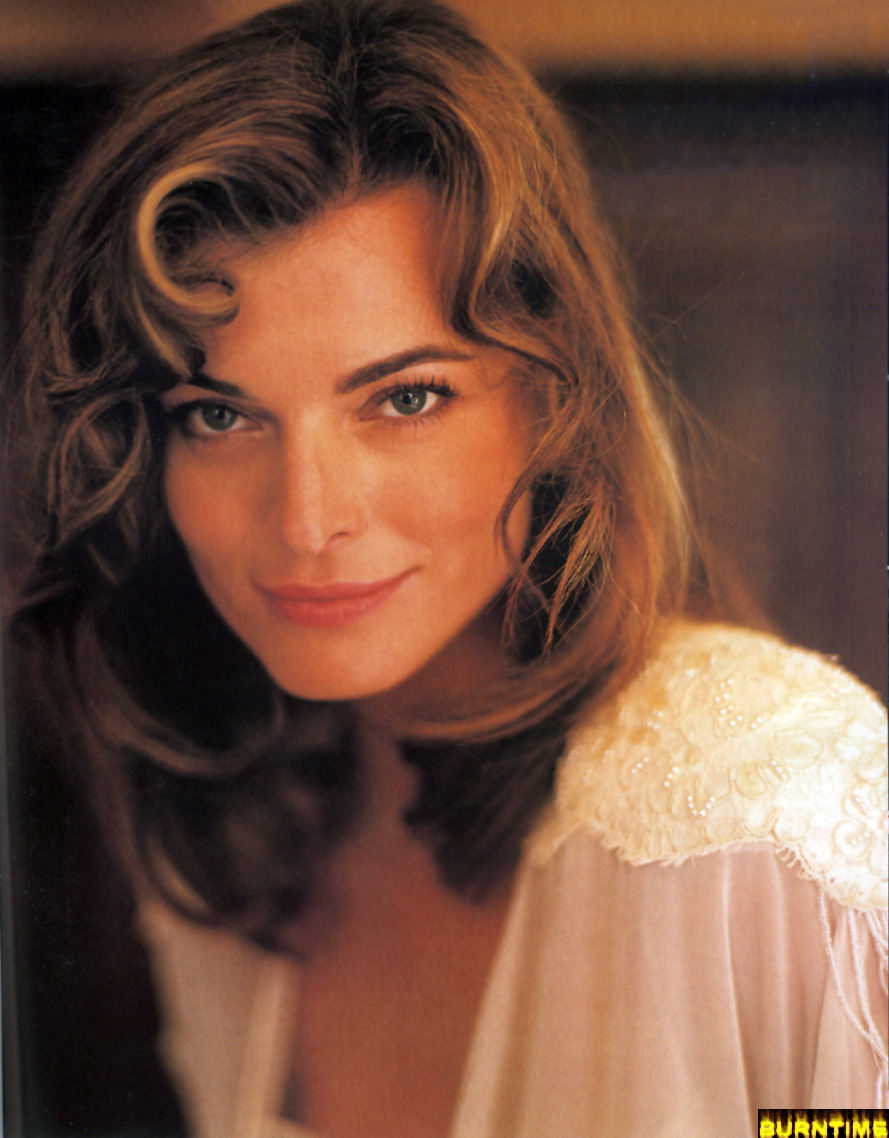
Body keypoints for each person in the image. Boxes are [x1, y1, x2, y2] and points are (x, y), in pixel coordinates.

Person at [4, 1, 886, 1135]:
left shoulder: (766, 820)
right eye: (219, 415)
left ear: (555, 396)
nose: (308, 519)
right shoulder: (220, 861)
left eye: (405, 398)